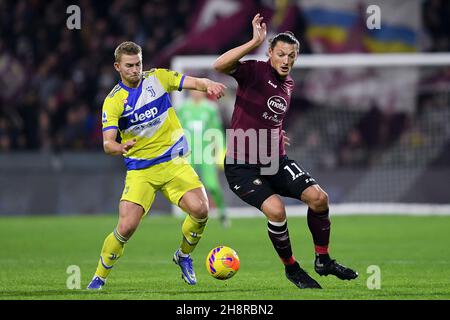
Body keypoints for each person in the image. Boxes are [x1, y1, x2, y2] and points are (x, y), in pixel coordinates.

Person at [213, 14, 358, 289]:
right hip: (242, 167)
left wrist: (277, 131)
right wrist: (253, 41)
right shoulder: (255, 70)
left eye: (291, 56)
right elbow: (219, 65)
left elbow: (269, 113)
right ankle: (292, 269)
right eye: (280, 54)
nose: (286, 60)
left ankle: (323, 260)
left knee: (319, 199)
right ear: (270, 53)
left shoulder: (288, 84)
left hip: (274, 160)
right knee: (277, 211)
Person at [87, 41, 226, 289]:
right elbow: (108, 144)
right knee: (126, 227)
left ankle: (183, 256)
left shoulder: (158, 78)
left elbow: (194, 82)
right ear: (117, 67)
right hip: (141, 170)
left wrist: (209, 85)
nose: (135, 69)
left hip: (174, 163)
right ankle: (98, 277)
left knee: (201, 210)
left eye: (138, 63)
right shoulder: (113, 101)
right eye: (129, 65)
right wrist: (120, 147)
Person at [177, 90, 230, 228]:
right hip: (189, 154)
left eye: (199, 90)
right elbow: (177, 130)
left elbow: (217, 130)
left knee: (212, 185)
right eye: (194, 90)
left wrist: (221, 151)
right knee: (187, 187)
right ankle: (188, 216)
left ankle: (222, 213)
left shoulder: (210, 108)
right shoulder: (183, 108)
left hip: (206, 153)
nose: (196, 93)